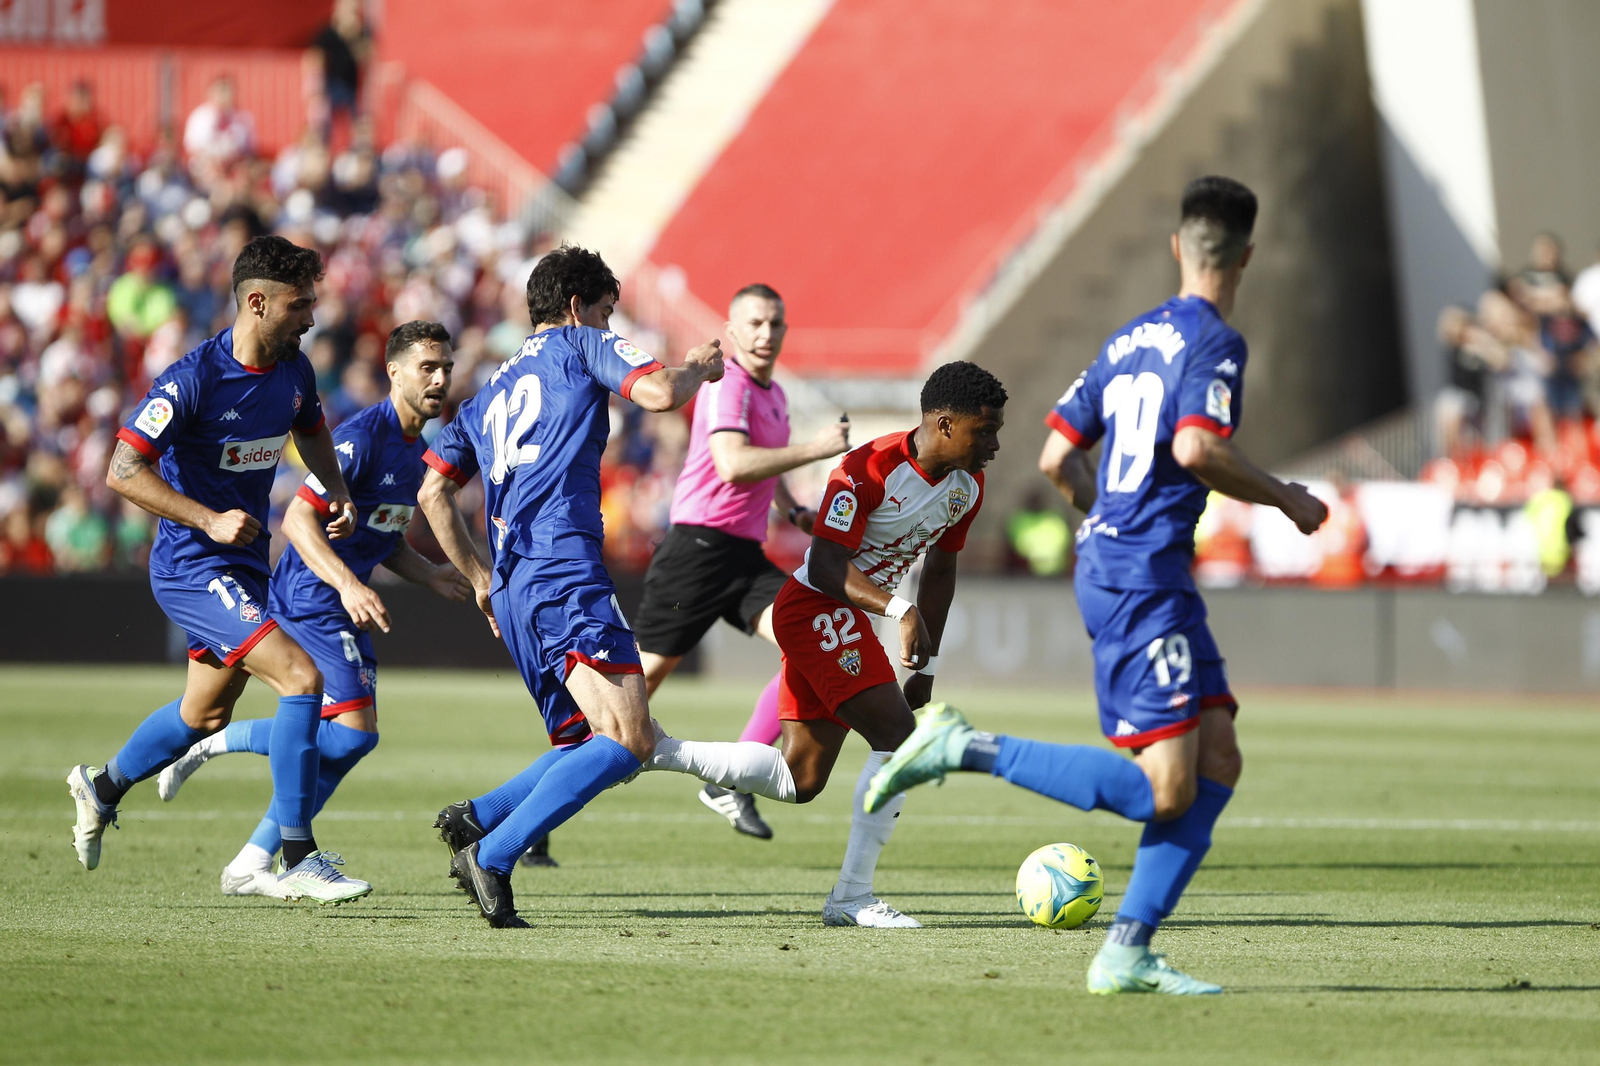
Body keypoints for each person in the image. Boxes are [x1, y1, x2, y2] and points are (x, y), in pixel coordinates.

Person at [864, 177, 1328, 993]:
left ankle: (1127, 950)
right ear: (1246, 256)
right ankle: (960, 746)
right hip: (1143, 572)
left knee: (1217, 758)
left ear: (1178, 247)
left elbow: (1053, 456)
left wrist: (1102, 515)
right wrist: (1286, 496)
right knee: (1168, 787)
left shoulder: (1127, 340)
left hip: (1130, 567)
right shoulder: (1215, 342)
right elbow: (1195, 449)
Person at [417, 244, 726, 928]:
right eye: (609, 311)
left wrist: (480, 581)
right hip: (565, 568)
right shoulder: (582, 342)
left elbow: (434, 492)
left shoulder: (490, 391)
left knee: (583, 742)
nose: (611, 322)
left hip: (519, 582)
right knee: (629, 740)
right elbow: (658, 392)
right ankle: (492, 854)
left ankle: (479, 817)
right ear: (579, 307)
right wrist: (701, 367)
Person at [642, 361, 1005, 928]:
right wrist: (900, 609)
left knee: (799, 778)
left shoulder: (968, 486)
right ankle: (853, 896)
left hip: (846, 615)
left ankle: (659, 750)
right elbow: (831, 565)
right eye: (985, 430)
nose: (995, 444)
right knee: (899, 739)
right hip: (814, 606)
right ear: (944, 424)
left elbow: (940, 571)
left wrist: (925, 665)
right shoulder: (866, 468)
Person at [67, 235, 373, 904]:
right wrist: (205, 518)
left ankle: (103, 786)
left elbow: (312, 429)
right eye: (300, 305)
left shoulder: (294, 372)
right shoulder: (193, 379)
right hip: (190, 562)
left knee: (203, 716)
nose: (312, 317)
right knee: (301, 677)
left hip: (241, 564)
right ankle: (296, 855)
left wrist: (339, 489)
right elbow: (122, 470)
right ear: (257, 302)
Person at [153, 321, 469, 896]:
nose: (440, 378)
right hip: (311, 598)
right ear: (393, 372)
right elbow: (298, 519)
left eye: (446, 367)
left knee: (350, 741)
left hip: (343, 602)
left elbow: (385, 537)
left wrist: (433, 577)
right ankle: (252, 813)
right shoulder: (361, 437)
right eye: (428, 367)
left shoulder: (415, 451)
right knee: (351, 734)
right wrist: (349, 585)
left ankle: (253, 856)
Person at [631, 282, 849, 839]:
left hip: (743, 555)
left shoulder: (771, 394)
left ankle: (729, 780)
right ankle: (535, 807)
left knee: (813, 639)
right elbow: (731, 463)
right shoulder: (726, 383)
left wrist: (793, 507)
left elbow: (761, 465)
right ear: (732, 331)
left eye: (775, 324)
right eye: (753, 323)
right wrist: (818, 450)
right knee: (629, 694)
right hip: (696, 552)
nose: (765, 334)